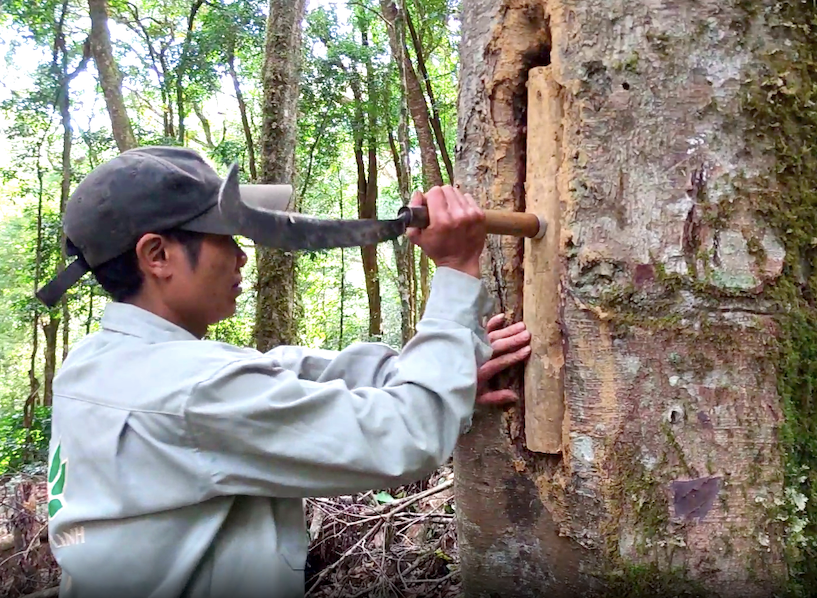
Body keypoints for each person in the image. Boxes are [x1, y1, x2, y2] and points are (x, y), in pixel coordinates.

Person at [38, 146, 531, 598]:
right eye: (224, 238)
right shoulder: (191, 389)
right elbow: (406, 436)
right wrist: (455, 271)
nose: (241, 256)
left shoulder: (93, 364)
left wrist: (443, 368)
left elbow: (279, 371)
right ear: (157, 255)